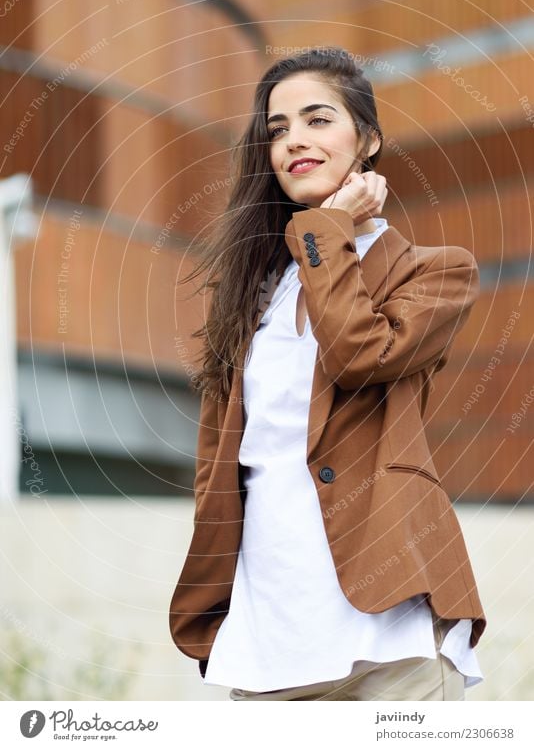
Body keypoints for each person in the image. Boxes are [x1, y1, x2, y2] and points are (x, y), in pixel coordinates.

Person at [169, 46, 486, 701]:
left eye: (317, 119)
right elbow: (215, 461)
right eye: (277, 129)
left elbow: (357, 355)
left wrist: (329, 227)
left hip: (390, 630)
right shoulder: (250, 292)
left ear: (367, 138)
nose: (293, 141)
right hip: (270, 633)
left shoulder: (436, 272)